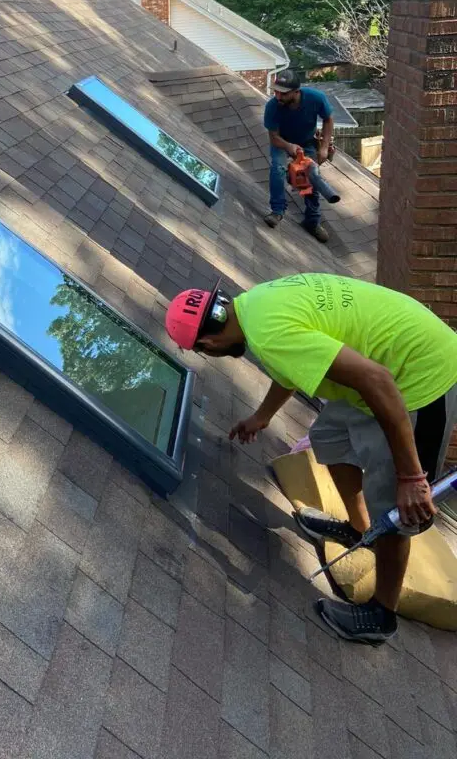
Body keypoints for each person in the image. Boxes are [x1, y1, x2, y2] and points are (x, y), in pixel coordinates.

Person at [164, 273, 457, 646]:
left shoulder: (269, 335)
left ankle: (382, 615)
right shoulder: (254, 306)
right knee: (328, 437)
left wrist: (412, 476)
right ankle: (358, 528)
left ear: (207, 343)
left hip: (420, 378)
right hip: (384, 367)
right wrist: (262, 417)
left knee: (397, 507)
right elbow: (293, 366)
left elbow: (377, 380)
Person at [264, 70, 334, 243]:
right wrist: (289, 146)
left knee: (311, 175)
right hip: (282, 142)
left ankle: (312, 221)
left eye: (283, 93)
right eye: (276, 91)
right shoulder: (272, 107)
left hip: (307, 142)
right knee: (278, 169)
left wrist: (324, 147)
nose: (278, 96)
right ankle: (277, 211)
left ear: (296, 92)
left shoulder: (315, 98)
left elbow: (328, 119)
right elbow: (273, 137)